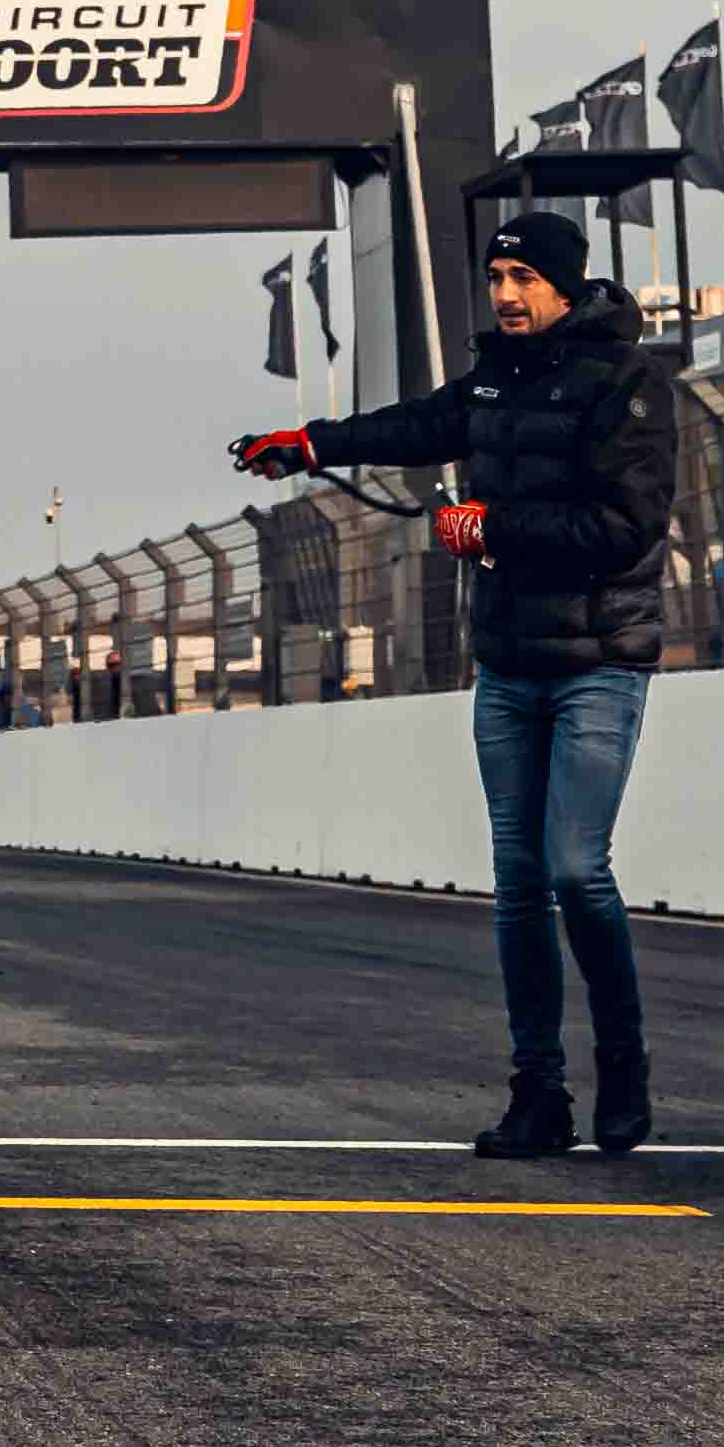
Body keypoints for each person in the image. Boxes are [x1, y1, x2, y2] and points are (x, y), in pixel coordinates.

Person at [233, 202, 674, 1156]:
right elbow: (418, 424)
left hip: (601, 662)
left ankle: (625, 1063)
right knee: (517, 884)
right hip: (508, 666)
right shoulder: (491, 381)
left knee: (574, 869)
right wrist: (309, 443)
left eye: (522, 279)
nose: (505, 294)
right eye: (496, 278)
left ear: (564, 282)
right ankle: (539, 1096)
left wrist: (493, 529)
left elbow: (627, 528)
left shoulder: (630, 382)